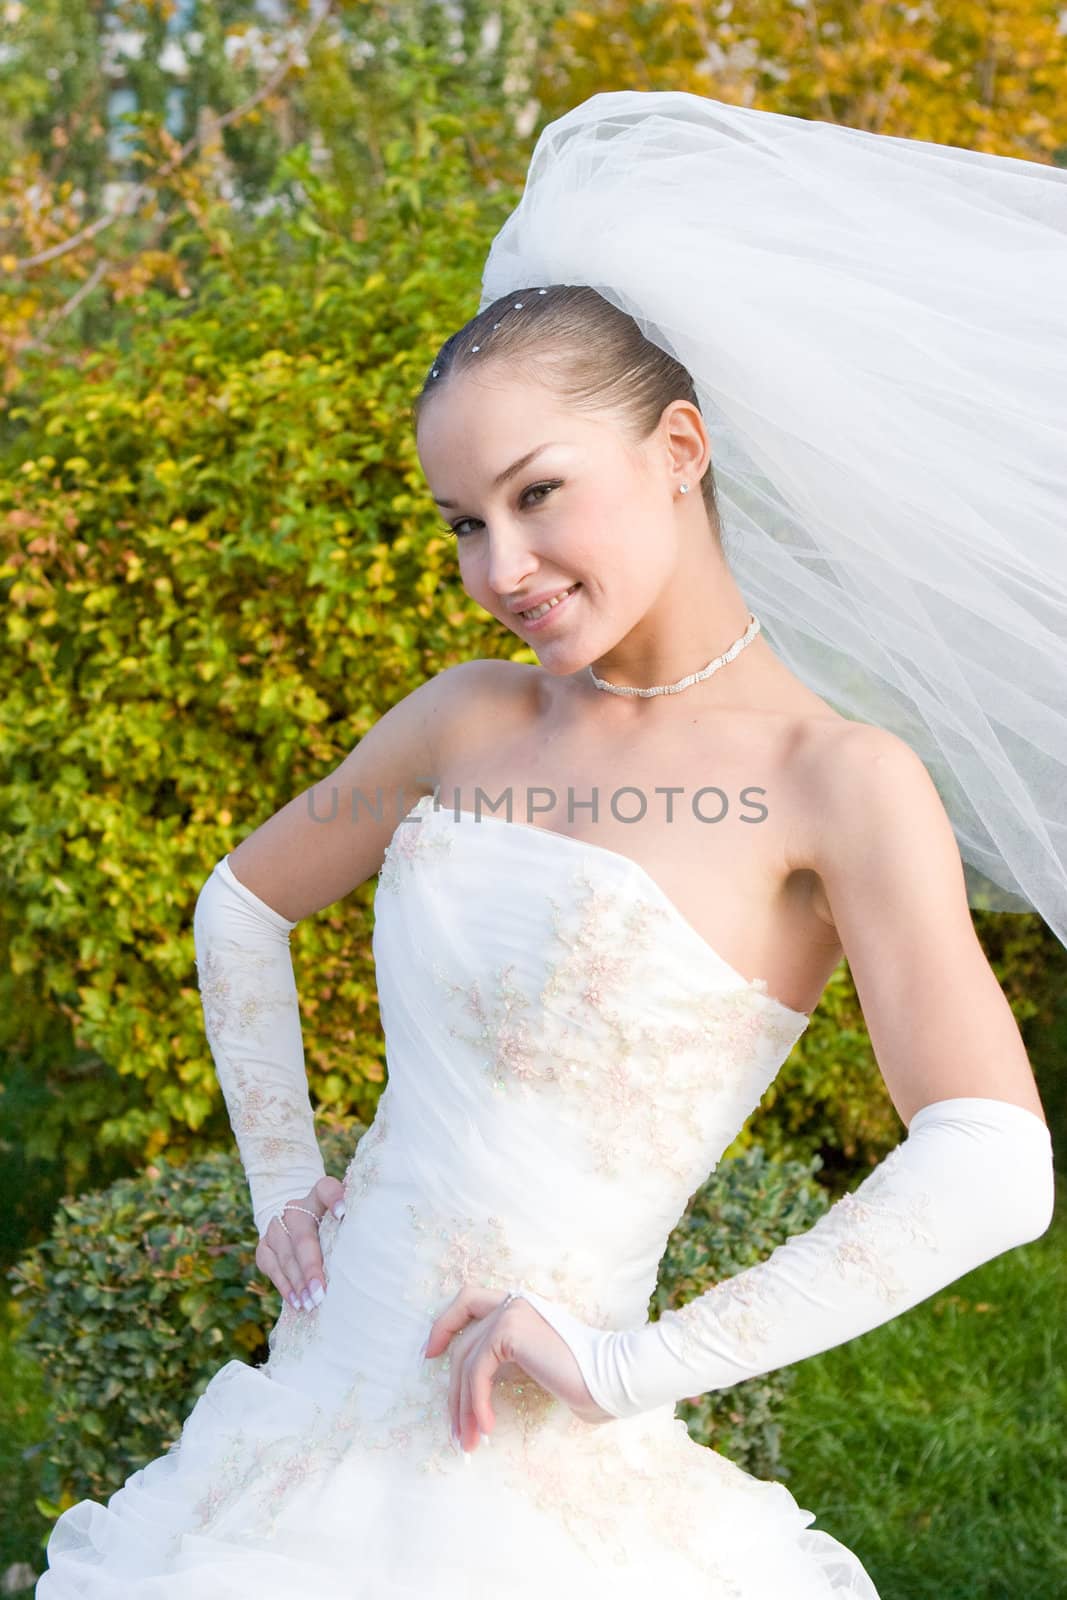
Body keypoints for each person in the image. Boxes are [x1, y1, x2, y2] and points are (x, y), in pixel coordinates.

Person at [37, 93, 1061, 1599]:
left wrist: (627, 1365)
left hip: (522, 1472)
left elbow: (995, 1169)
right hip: (300, 1426)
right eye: (463, 522)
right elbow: (240, 907)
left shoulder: (837, 782)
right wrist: (282, 1190)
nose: (499, 570)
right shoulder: (463, 720)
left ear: (679, 448)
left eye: (537, 497)